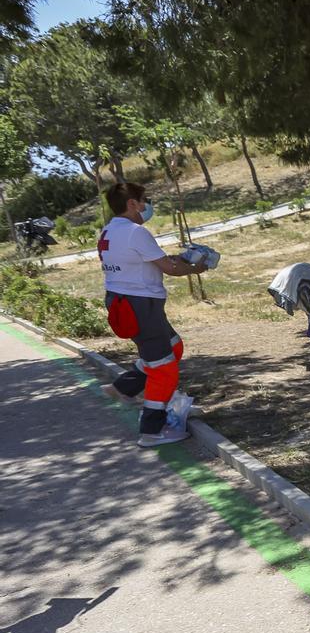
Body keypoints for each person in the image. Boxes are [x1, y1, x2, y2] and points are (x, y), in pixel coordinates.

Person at [99, 183, 208, 447]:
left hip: (124, 302)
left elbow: (143, 261)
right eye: (144, 200)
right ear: (132, 204)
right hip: (141, 305)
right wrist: (196, 267)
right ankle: (152, 430)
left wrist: (174, 260)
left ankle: (124, 388)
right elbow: (170, 269)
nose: (147, 205)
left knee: (173, 347)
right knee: (164, 369)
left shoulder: (109, 229)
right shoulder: (136, 232)